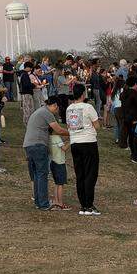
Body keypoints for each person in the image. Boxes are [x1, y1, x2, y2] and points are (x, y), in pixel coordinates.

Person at [24, 97, 69, 212]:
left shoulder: (39, 111)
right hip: (38, 145)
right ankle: (44, 203)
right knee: (42, 174)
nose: (57, 111)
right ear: (54, 105)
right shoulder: (47, 113)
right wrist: (73, 134)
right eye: (57, 108)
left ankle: (39, 202)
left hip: (29, 145)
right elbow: (58, 130)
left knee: (37, 174)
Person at [66, 84, 101, 215]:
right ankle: (89, 204)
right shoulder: (88, 107)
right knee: (90, 174)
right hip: (88, 142)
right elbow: (97, 125)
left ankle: (83, 205)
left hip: (75, 142)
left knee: (80, 174)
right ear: (83, 94)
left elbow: (70, 125)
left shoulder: (69, 109)